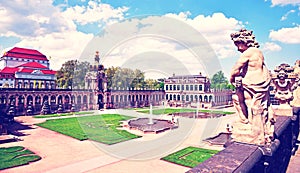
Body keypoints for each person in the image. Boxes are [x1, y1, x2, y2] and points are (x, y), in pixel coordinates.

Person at [230, 28, 271, 124]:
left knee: (240, 100)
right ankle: (256, 124)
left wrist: (231, 80)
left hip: (251, 83)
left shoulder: (248, 52)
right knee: (257, 105)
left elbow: (235, 69)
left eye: (237, 45)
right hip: (261, 83)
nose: (237, 48)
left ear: (243, 41)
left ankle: (247, 122)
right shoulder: (259, 52)